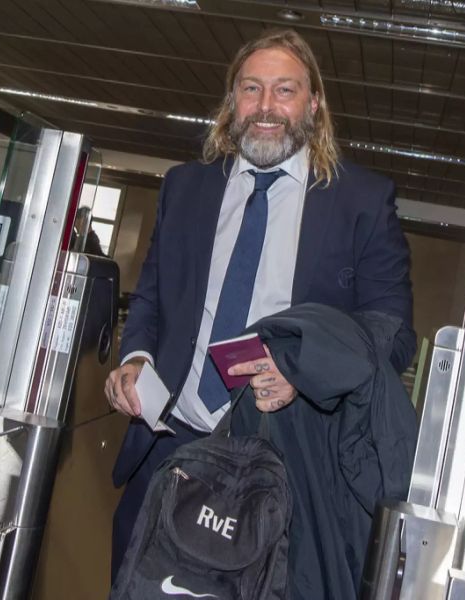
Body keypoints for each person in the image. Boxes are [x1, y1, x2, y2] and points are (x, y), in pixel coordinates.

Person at [105, 28, 416, 581]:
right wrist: (137, 360)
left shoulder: (360, 202)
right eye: (251, 89)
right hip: (169, 450)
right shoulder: (186, 188)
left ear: (314, 105)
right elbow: (152, 297)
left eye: (285, 90)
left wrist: (304, 367)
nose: (266, 107)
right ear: (232, 103)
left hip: (281, 467)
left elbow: (392, 332)